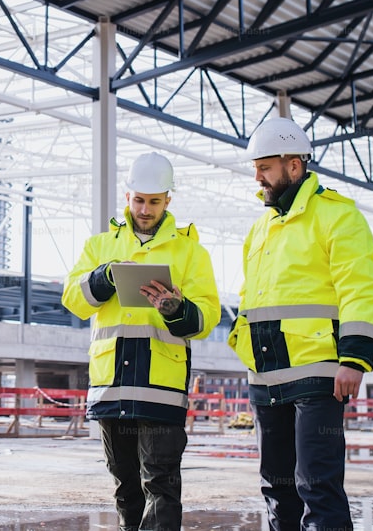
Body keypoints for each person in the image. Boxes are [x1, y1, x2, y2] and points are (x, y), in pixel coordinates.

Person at [228, 117, 373, 531]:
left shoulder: (336, 215)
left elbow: (361, 288)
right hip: (266, 379)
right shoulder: (260, 228)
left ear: (293, 165)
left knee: (317, 486)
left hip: (318, 376)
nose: (257, 177)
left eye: (264, 167)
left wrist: (354, 358)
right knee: (277, 490)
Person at [62, 152, 220, 531]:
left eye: (154, 201)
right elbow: (73, 299)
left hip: (159, 386)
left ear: (168, 200)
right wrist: (105, 277)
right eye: (139, 200)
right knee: (125, 487)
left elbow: (207, 317)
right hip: (112, 385)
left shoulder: (190, 252)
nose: (145, 209)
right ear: (127, 196)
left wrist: (175, 309)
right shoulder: (99, 246)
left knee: (160, 483)